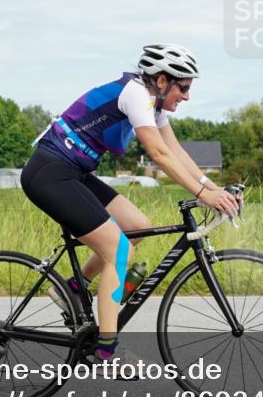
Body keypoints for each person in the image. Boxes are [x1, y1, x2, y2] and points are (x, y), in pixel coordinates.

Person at [19, 44, 240, 371]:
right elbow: (158, 155)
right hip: (50, 173)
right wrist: (202, 194)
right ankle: (107, 350)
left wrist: (212, 188)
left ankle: (72, 288)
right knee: (118, 251)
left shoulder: (154, 105)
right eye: (184, 87)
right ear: (162, 80)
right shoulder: (136, 93)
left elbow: (175, 151)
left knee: (136, 224)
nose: (188, 96)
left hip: (73, 172)